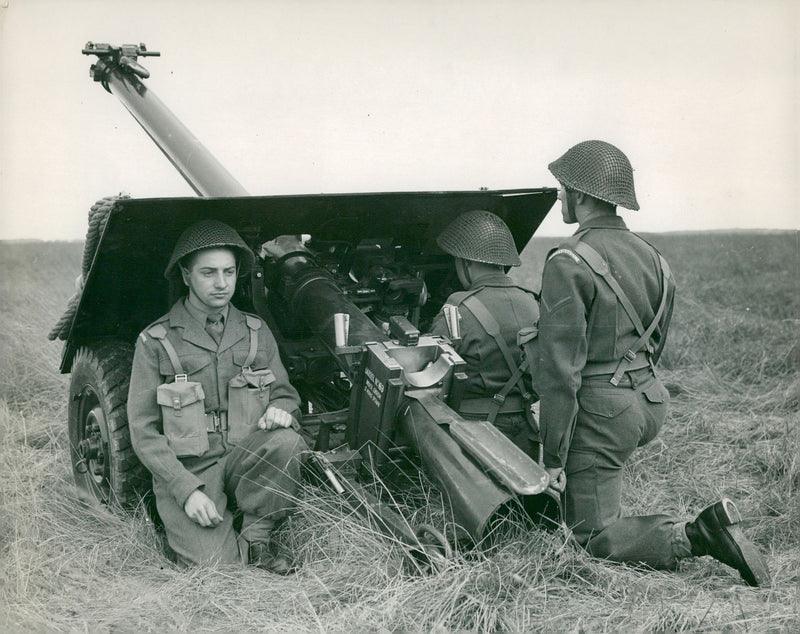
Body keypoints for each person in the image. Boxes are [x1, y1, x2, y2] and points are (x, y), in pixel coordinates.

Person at [534, 139, 770, 586]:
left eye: (562, 188)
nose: (560, 196)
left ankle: (698, 535)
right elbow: (655, 341)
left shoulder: (569, 259)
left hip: (603, 412)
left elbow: (560, 374)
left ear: (581, 194)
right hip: (648, 400)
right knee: (590, 491)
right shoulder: (655, 257)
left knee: (589, 536)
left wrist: (551, 458)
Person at [128, 219, 306, 572]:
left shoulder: (255, 329)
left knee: (286, 441)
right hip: (191, 466)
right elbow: (143, 431)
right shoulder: (157, 340)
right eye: (208, 273)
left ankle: (258, 537)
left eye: (228, 271)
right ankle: (213, 530)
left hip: (245, 454)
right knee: (218, 571)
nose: (221, 283)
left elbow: (286, 396)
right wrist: (186, 491)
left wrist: (282, 410)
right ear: (185, 275)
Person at [430, 210, 540, 457]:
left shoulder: (458, 308)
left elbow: (433, 375)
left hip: (476, 431)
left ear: (465, 262)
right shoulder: (532, 302)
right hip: (526, 431)